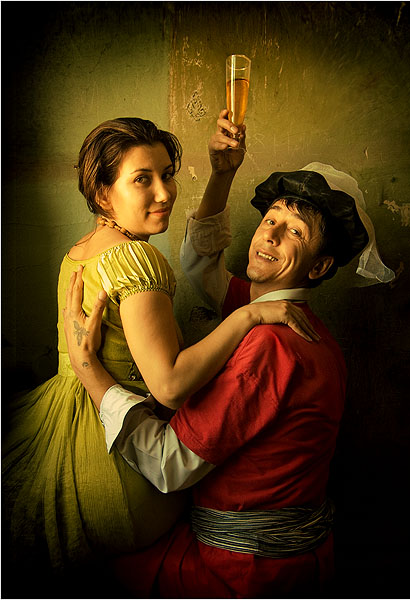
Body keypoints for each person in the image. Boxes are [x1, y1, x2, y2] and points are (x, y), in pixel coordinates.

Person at [63, 111, 394, 598]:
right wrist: (222, 173)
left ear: (320, 266)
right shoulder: (273, 312)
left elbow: (170, 464)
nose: (270, 236)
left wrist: (88, 369)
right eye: (270, 219)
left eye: (295, 232)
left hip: (244, 573)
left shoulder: (270, 341)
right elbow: (201, 263)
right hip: (285, 555)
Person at [1, 115, 317, 595]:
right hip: (115, 474)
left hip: (63, 428)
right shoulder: (137, 258)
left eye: (167, 174)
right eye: (142, 179)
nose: (165, 193)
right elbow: (168, 386)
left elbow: (200, 262)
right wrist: (250, 316)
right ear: (103, 194)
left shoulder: (79, 251)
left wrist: (222, 173)